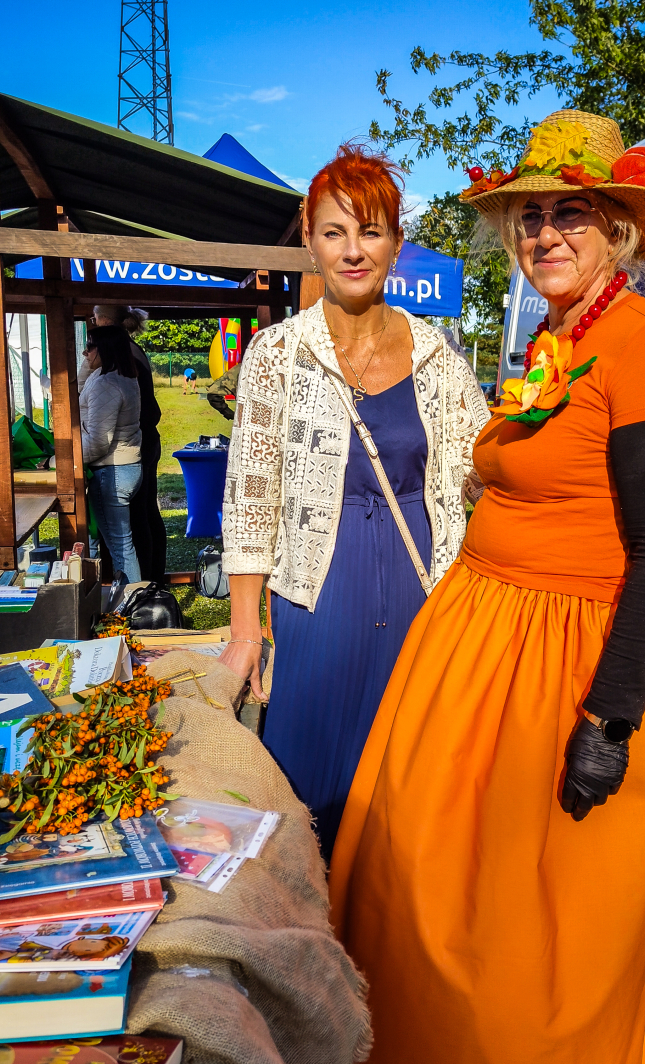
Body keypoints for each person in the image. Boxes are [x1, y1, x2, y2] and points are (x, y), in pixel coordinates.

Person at [329, 109, 645, 1064]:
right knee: (424, 910)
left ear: (620, 232)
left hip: (561, 671)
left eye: (571, 216)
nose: (545, 233)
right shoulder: (560, 341)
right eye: (531, 216)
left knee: (512, 943)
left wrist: (608, 719)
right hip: (479, 646)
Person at [220, 143, 489, 861]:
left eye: (370, 231)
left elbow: (483, 471)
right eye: (334, 232)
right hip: (317, 603)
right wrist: (248, 631)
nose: (352, 250)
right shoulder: (277, 354)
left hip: (420, 601)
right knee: (304, 801)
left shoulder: (440, 357)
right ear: (309, 240)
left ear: (396, 244)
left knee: (409, 804)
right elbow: (250, 499)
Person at [91, 305, 167, 583]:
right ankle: (150, 580)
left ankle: (143, 584)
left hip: (131, 450)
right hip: (141, 445)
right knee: (144, 515)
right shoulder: (132, 352)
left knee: (135, 523)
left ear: (103, 322)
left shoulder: (123, 359)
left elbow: (144, 412)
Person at [80, 324, 142, 582]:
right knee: (121, 544)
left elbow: (97, 442)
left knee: (120, 547)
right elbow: (81, 384)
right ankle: (133, 603)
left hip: (111, 472)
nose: (85, 353)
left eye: (90, 347)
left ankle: (135, 608)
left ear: (104, 349)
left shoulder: (106, 383)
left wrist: (59, 461)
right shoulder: (121, 376)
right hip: (125, 468)